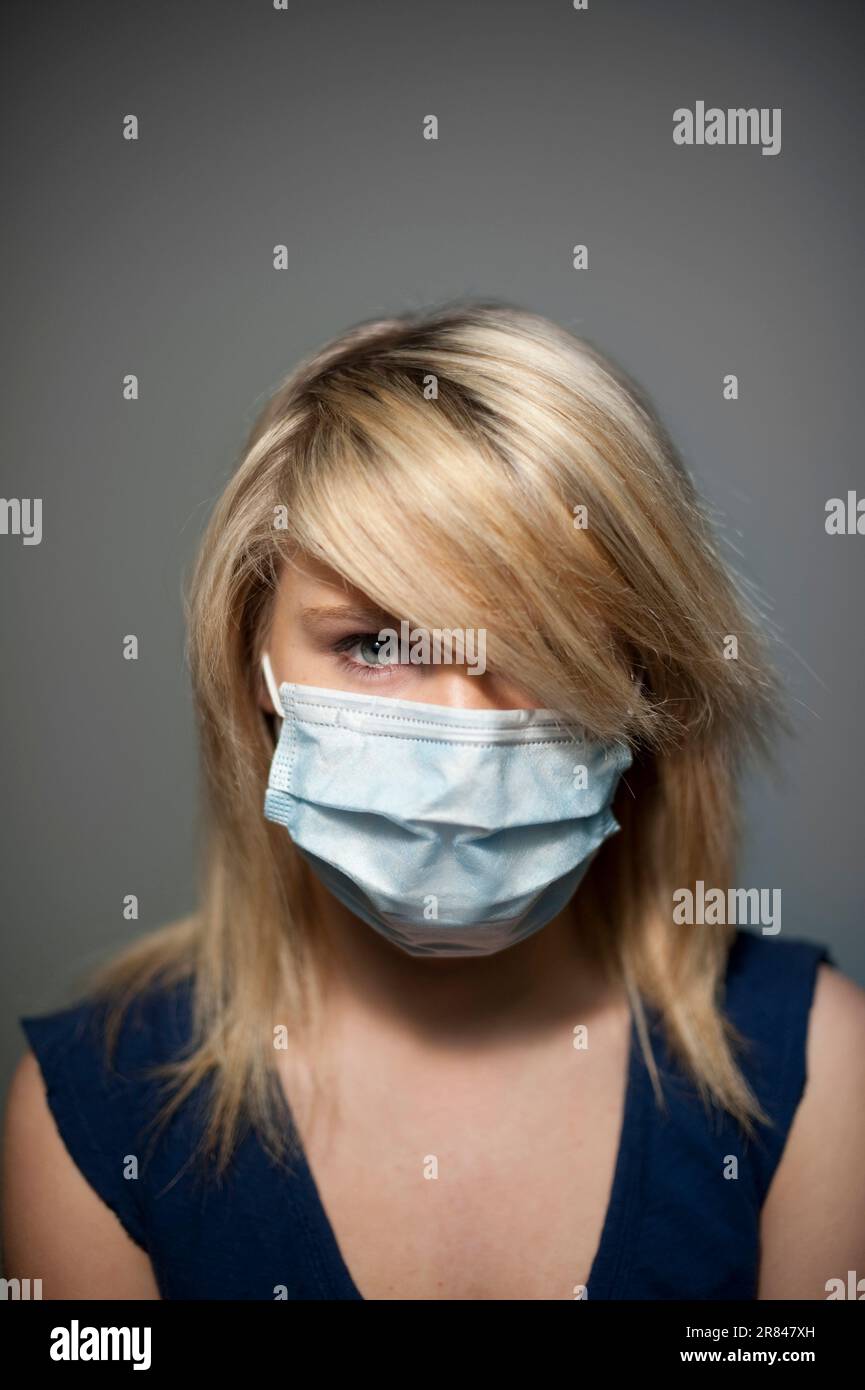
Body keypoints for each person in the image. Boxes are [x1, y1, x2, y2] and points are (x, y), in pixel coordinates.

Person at [4, 302, 865, 1300]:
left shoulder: (815, 1069)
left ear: (645, 680)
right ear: (254, 666)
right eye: (373, 642)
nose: (462, 738)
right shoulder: (96, 1117)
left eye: (543, 643)